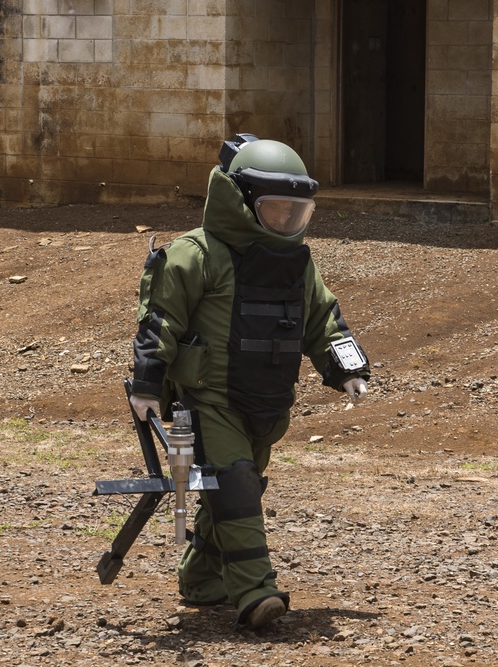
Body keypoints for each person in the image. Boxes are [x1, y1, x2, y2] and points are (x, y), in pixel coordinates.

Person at [128, 134, 370, 629]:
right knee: (235, 484)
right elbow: (159, 322)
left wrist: (347, 368)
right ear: (238, 203)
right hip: (209, 399)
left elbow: (324, 320)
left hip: (268, 402)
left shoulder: (297, 266)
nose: (285, 221)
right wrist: (146, 386)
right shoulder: (194, 255)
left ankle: (201, 578)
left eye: (294, 212)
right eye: (275, 210)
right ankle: (256, 592)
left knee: (237, 489)